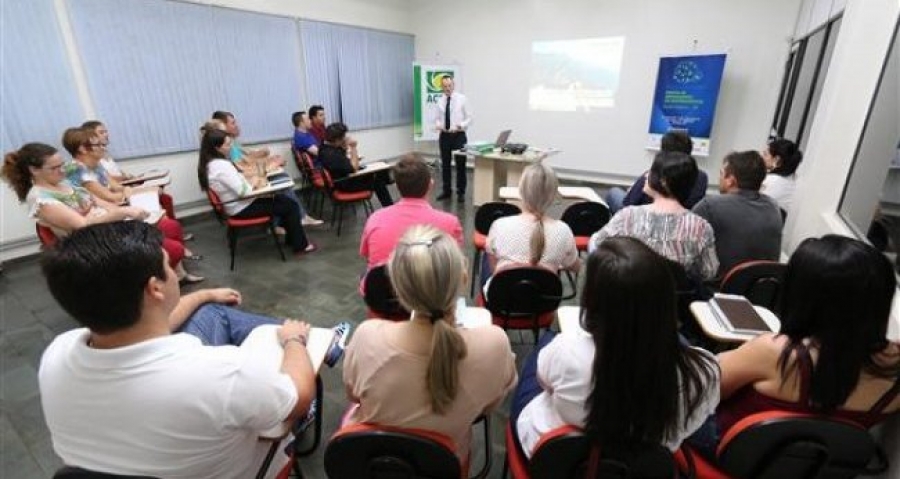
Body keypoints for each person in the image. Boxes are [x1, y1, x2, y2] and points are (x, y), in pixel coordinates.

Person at [38, 221, 316, 478]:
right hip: (249, 468)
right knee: (298, 380)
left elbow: (154, 322)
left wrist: (204, 295)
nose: (173, 271)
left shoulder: (57, 354)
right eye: (169, 266)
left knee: (209, 313)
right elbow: (299, 396)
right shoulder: (221, 372)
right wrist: (294, 340)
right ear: (155, 288)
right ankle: (319, 342)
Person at [511, 237, 720, 458]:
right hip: (645, 471)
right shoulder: (705, 373)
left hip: (557, 463)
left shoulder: (568, 351)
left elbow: (545, 381)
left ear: (593, 301)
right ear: (666, 300)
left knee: (544, 348)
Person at [700, 235, 900, 454]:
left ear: (802, 296)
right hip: (816, 466)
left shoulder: (775, 352)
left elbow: (701, 392)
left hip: (726, 453)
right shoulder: (894, 366)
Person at [343, 225, 517, 462]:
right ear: (463, 280)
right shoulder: (495, 344)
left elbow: (354, 395)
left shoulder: (366, 337)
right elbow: (490, 404)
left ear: (398, 288)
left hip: (375, 463)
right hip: (444, 464)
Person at [3, 141, 203, 283]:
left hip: (107, 227)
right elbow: (81, 226)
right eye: (54, 168)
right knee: (173, 249)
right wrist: (119, 214)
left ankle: (174, 277)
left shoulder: (62, 182)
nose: (63, 171)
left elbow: (98, 203)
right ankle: (153, 285)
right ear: (34, 170)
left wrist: (124, 211)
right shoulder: (39, 198)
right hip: (91, 243)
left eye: (62, 165)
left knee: (171, 225)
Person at [590, 151, 718, 281]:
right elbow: (709, 271)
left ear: (663, 181)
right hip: (675, 298)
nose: (646, 175)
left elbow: (598, 246)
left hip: (630, 293)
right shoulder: (702, 227)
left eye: (651, 171)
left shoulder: (628, 217)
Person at [198, 128, 317, 256]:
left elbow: (238, 182)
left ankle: (293, 240)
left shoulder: (212, 164)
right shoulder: (221, 166)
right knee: (290, 205)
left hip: (238, 205)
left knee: (284, 201)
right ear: (217, 148)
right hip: (241, 208)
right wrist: (255, 182)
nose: (231, 147)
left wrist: (252, 181)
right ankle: (301, 246)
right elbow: (243, 191)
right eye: (227, 145)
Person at [483, 162, 579, 290]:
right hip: (545, 306)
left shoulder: (500, 226)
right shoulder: (563, 231)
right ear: (552, 196)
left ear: (521, 191)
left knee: (488, 253)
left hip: (503, 302)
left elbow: (495, 269)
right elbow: (575, 266)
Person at [360, 154, 463, 271]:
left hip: (382, 287)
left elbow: (367, 255)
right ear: (430, 184)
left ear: (397, 186)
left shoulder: (375, 219)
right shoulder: (450, 223)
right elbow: (453, 264)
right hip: (430, 287)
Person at [692, 150, 782, 279]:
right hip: (761, 291)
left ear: (730, 180)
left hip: (715, 290)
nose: (719, 178)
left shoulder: (709, 206)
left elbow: (686, 250)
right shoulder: (773, 207)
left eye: (721, 174)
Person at [82, 120, 179, 221]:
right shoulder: (87, 168)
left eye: (106, 131)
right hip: (119, 196)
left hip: (123, 189)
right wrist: (131, 186)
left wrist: (131, 181)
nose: (106, 134)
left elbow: (115, 178)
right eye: (101, 132)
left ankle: (171, 228)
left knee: (164, 197)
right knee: (161, 200)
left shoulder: (103, 156)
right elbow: (111, 191)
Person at [605, 131, 709, 213]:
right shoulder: (702, 177)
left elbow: (628, 204)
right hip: (683, 218)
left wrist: (633, 192)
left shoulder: (655, 174)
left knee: (613, 192)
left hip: (643, 217)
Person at [319, 122, 394, 207]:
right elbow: (354, 168)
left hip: (340, 179)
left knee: (379, 171)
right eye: (343, 137)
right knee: (378, 182)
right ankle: (389, 206)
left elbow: (344, 161)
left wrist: (343, 148)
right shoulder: (332, 155)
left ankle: (387, 181)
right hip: (344, 184)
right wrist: (353, 147)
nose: (345, 138)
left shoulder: (324, 147)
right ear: (337, 140)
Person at [433, 76, 472, 203]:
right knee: (445, 164)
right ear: (442, 87)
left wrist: (460, 125)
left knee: (460, 165)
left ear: (453, 85)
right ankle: (446, 190)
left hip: (459, 135)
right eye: (444, 86)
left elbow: (470, 118)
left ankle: (461, 192)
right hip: (444, 136)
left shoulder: (462, 99)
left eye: (449, 86)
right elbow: (437, 118)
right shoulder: (440, 101)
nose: (447, 88)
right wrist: (439, 125)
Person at [760, 138, 803, 212]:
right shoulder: (793, 181)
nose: (761, 157)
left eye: (765, 154)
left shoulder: (771, 181)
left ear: (776, 159)